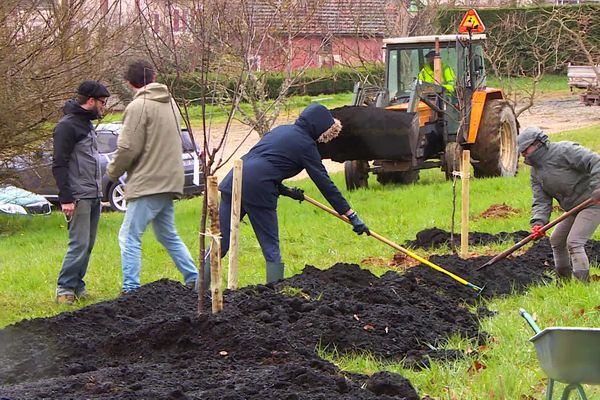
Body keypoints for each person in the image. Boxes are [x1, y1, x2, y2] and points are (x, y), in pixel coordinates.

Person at [211, 103, 370, 285]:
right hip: (259, 189)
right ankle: (275, 291)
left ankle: (198, 288)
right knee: (270, 245)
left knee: (219, 240)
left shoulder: (281, 130)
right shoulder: (306, 145)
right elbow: (325, 184)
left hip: (234, 180)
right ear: (319, 128)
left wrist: (286, 191)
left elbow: (267, 163)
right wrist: (350, 214)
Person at [107, 60, 198, 293]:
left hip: (148, 182)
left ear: (129, 83)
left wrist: (112, 172)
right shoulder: (171, 104)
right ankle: (195, 279)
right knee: (167, 234)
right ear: (154, 76)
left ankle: (130, 290)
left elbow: (128, 148)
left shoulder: (138, 107)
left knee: (128, 236)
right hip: (171, 179)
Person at [52, 80, 110, 304]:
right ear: (90, 101)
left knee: (88, 243)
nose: (104, 107)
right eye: (102, 102)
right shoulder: (67, 126)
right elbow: (59, 164)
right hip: (77, 195)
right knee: (78, 243)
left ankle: (78, 286)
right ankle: (64, 289)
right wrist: (66, 198)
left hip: (93, 194)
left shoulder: (86, 124)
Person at [518, 126, 600, 283]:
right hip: (573, 208)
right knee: (556, 240)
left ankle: (582, 285)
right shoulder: (536, 172)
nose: (523, 154)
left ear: (537, 144)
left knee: (574, 241)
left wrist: (598, 187)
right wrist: (538, 222)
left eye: (525, 150)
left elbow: (595, 161)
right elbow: (541, 200)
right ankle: (564, 282)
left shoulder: (564, 150)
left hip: (593, 202)